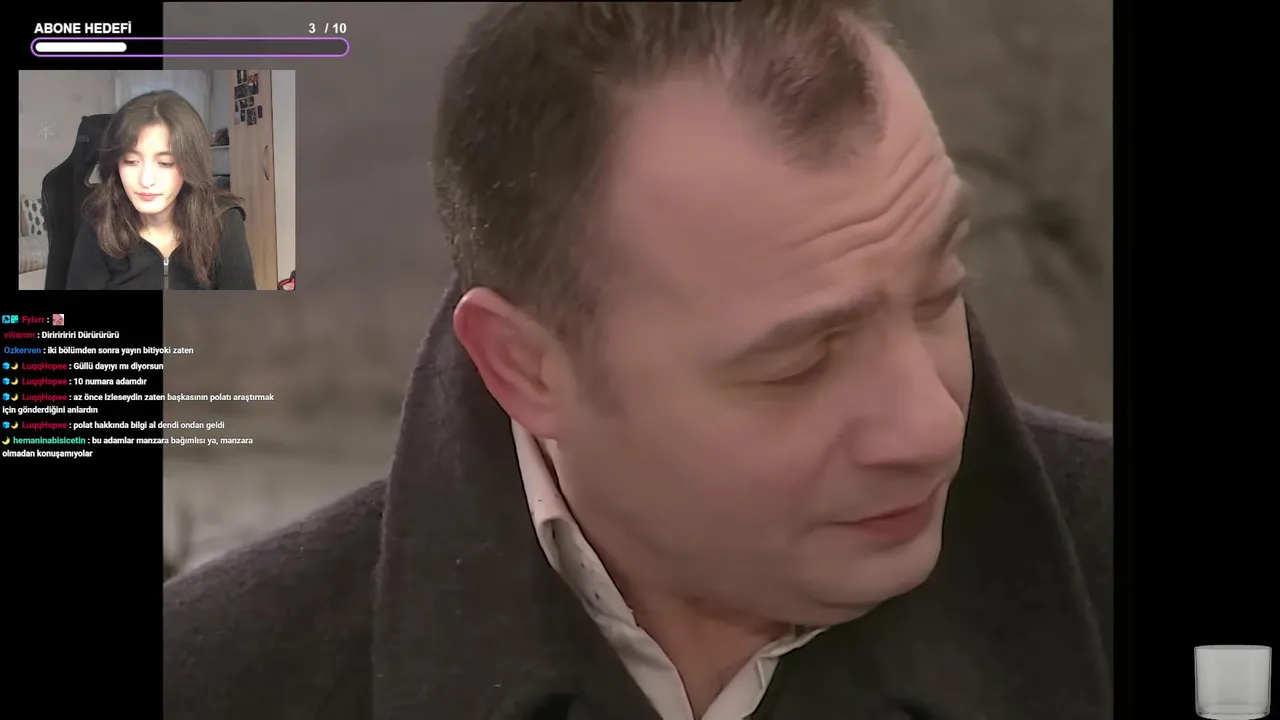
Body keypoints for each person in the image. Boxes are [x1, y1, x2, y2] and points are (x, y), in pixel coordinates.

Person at [163, 3, 1113, 719]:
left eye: (939, 294)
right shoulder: (215, 680)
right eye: (799, 363)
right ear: (527, 370)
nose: (932, 427)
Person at [65, 90, 256, 290]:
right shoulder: (99, 223)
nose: (146, 180)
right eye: (131, 161)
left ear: (190, 164)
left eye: (165, 163)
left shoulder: (222, 220)